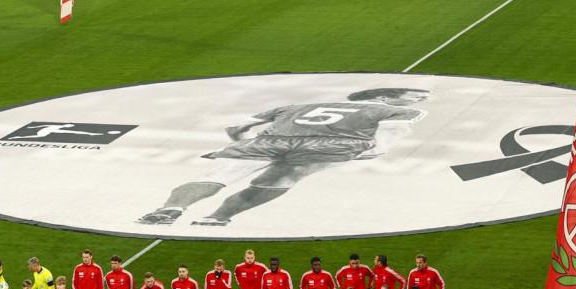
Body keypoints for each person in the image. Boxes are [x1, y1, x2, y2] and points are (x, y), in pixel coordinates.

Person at [136, 88, 428, 227]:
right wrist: (364, 152)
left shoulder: (295, 105)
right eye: (413, 97)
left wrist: (243, 146)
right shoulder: (397, 111)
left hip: (269, 141)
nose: (417, 101)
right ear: (386, 98)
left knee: (216, 177)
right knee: (282, 178)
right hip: (335, 145)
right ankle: (216, 218)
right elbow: (386, 139)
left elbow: (236, 128)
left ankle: (172, 209)